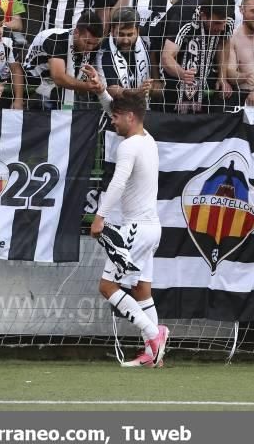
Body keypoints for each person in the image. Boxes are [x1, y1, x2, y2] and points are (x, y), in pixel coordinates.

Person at [89, 87, 169, 369]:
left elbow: (118, 182)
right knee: (142, 289)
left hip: (134, 229)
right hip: (151, 228)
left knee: (107, 286)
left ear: (131, 117)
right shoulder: (147, 139)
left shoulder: (128, 146)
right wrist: (101, 91)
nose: (112, 120)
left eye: (117, 117)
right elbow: (118, 109)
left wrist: (100, 216)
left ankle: (153, 335)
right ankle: (154, 355)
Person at [160, 0, 234, 113]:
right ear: (203, 16)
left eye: (223, 23)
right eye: (217, 23)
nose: (221, 28)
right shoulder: (183, 16)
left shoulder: (228, 17)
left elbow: (224, 43)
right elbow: (166, 57)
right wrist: (182, 74)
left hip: (205, 54)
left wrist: (222, 77)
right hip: (168, 44)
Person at [23, 10, 104, 109]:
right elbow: (59, 78)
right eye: (87, 42)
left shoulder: (93, 45)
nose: (91, 48)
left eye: (94, 44)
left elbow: (81, 77)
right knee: (60, 97)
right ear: (76, 32)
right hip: (33, 79)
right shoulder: (55, 39)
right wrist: (87, 86)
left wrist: (94, 83)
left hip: (56, 84)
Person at [94, 7, 157, 100]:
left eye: (130, 35)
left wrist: (151, 89)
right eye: (121, 34)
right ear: (112, 31)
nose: (126, 40)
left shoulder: (148, 43)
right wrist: (137, 92)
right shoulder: (103, 51)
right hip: (114, 108)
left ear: (138, 31)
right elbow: (110, 90)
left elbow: (159, 85)